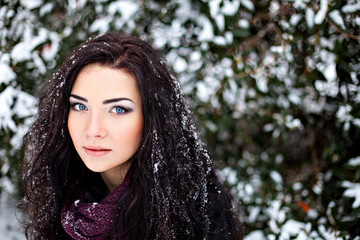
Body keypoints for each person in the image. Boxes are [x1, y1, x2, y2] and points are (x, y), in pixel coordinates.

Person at [21, 32, 244, 240]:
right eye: (80, 106)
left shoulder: (194, 213)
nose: (92, 130)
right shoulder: (62, 192)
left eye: (118, 109)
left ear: (153, 119)